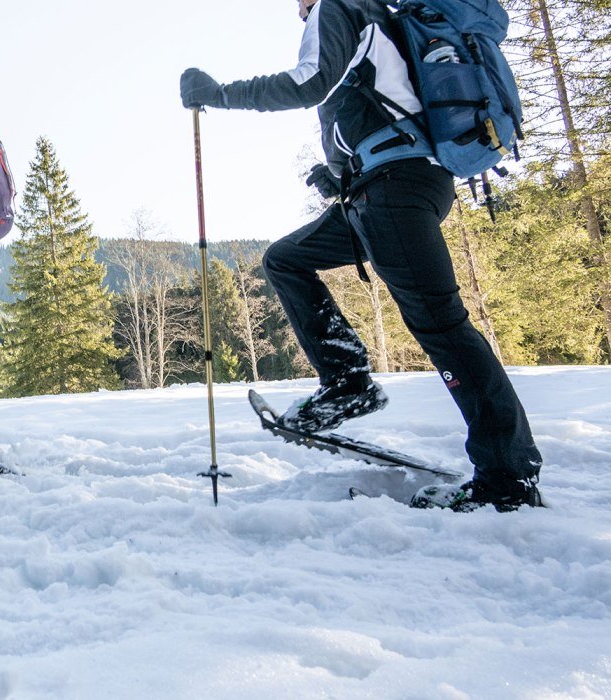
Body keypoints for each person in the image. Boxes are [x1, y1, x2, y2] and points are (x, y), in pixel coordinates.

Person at [179, 0, 543, 510]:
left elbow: (309, 83)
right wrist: (342, 170)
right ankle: (347, 383)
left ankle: (508, 476)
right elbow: (383, 98)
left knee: (442, 326)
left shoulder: (337, 7)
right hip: (387, 185)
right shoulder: (377, 15)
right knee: (286, 259)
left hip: (394, 188)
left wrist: (218, 95)